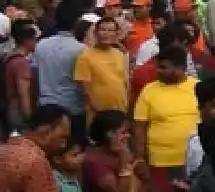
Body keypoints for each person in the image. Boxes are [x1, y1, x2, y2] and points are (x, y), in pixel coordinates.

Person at [132, 44, 198, 192]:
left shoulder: (197, 87)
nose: (158, 71)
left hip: (192, 162)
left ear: (180, 68)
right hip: (161, 161)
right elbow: (139, 128)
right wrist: (140, 158)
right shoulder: (149, 91)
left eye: (164, 67)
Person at [32, 13, 87, 142]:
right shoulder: (81, 49)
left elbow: (34, 75)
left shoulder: (41, 45)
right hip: (72, 108)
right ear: (76, 25)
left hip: (46, 105)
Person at [73, 15, 128, 120]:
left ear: (116, 34)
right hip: (97, 115)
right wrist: (99, 112)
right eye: (103, 30)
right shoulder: (85, 56)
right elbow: (85, 91)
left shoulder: (120, 54)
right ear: (96, 33)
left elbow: (125, 82)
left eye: (110, 30)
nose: (106, 33)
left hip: (120, 111)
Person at [4, 21, 38, 135]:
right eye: (34, 39)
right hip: (18, 111)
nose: (36, 43)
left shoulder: (9, 57)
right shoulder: (21, 63)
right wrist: (29, 117)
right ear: (27, 41)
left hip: (9, 107)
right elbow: (23, 92)